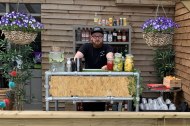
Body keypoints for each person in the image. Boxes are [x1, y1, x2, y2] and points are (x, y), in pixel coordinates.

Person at [74, 26, 114, 111]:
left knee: (100, 106)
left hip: (102, 82)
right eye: (95, 36)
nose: (97, 38)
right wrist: (77, 59)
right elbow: (77, 57)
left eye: (99, 36)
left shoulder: (107, 47)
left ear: (102, 38)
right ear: (91, 38)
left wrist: (108, 64)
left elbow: (110, 57)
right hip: (88, 81)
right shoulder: (86, 46)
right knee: (87, 106)